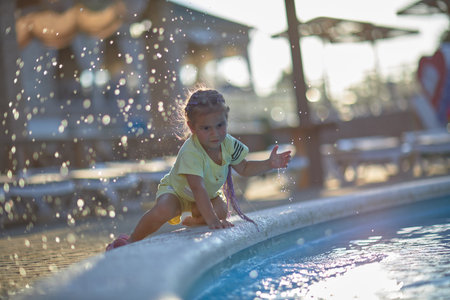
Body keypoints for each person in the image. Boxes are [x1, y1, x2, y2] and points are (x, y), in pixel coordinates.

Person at [106, 88, 292, 251]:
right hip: (177, 192)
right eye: (206, 128)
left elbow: (243, 167)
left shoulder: (228, 144)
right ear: (192, 127)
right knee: (164, 210)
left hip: (204, 196)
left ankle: (195, 219)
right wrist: (212, 221)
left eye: (220, 125)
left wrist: (269, 164)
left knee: (221, 210)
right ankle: (131, 239)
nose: (215, 133)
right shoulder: (191, 151)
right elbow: (197, 188)